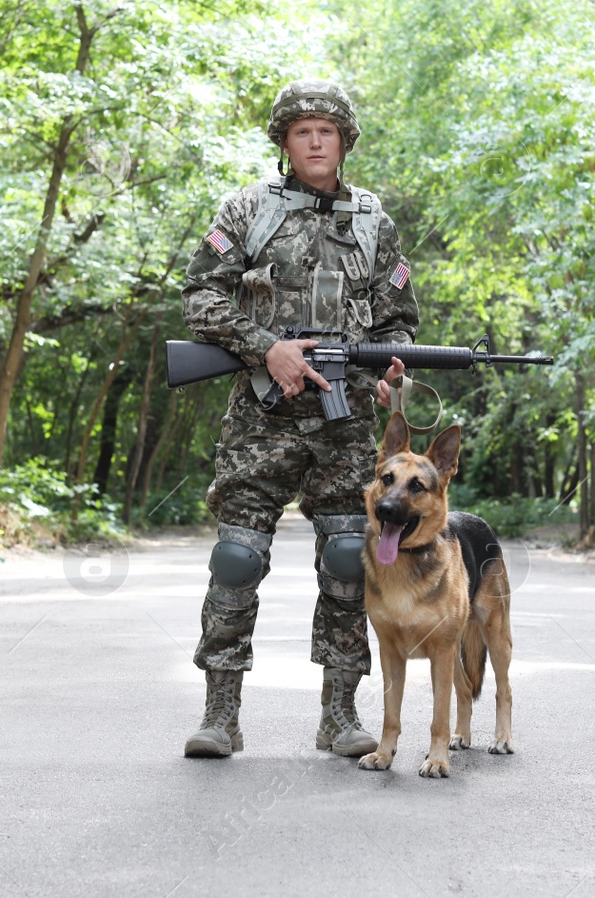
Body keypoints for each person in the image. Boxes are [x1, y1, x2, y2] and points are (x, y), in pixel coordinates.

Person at [180, 78, 419, 758]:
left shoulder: (374, 221)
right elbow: (200, 295)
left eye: (328, 130)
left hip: (343, 430)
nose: (316, 140)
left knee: (350, 558)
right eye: (302, 130)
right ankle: (219, 715)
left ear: (344, 140)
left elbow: (397, 322)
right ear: (285, 141)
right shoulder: (248, 208)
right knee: (236, 559)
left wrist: (388, 370)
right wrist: (268, 349)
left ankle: (339, 714)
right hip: (261, 414)